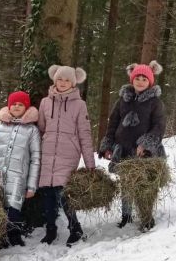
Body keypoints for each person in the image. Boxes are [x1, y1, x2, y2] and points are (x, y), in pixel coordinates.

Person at [98, 61, 166, 231]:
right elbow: (113, 122)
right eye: (137, 78)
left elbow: (159, 126)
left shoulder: (155, 103)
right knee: (126, 183)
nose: (140, 81)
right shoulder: (123, 100)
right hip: (123, 149)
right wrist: (108, 145)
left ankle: (146, 217)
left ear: (150, 81)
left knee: (144, 185)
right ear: (132, 78)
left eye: (144, 78)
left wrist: (146, 144)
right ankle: (126, 216)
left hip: (144, 152)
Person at [37, 64, 96, 246]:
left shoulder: (80, 105)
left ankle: (75, 228)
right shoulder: (45, 102)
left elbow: (84, 134)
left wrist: (89, 164)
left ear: (73, 82)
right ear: (54, 80)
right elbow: (40, 128)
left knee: (64, 194)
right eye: (60, 79)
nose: (63, 83)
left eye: (67, 80)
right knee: (47, 193)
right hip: (47, 153)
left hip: (68, 153)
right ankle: (50, 230)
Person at [0, 91, 41, 248]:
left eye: (20, 104)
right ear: (8, 106)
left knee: (14, 213)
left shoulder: (32, 131)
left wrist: (32, 186)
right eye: (13, 103)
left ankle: (14, 238)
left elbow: (35, 159)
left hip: (18, 181)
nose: (16, 106)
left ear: (26, 108)